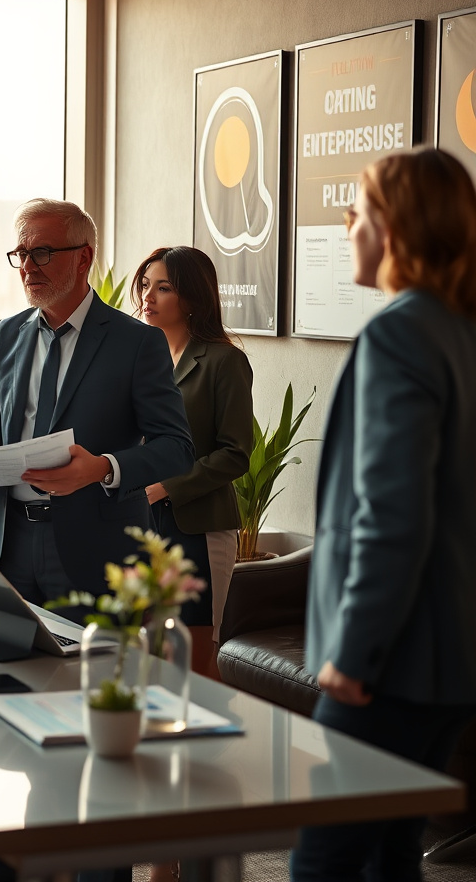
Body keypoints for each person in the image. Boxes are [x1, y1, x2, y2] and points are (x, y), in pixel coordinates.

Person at [0, 198, 193, 882]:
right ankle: (11, 859)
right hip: (12, 547)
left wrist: (103, 469)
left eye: (42, 252)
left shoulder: (134, 342)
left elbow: (175, 448)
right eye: (20, 253)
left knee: (91, 727)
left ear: (84, 256)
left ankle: (97, 873)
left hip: (97, 553)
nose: (28, 266)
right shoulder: (5, 334)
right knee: (15, 717)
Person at [290, 148, 476, 881]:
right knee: (391, 851)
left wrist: (355, 652)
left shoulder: (401, 330)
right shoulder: (459, 328)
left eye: (358, 213)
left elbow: (393, 516)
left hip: (393, 660)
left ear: (392, 227)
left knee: (323, 860)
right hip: (452, 657)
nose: (348, 228)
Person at [133, 246, 253, 678]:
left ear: (192, 297)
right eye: (146, 285)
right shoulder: (139, 360)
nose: (149, 296)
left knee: (194, 659)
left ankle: (210, 743)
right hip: (139, 521)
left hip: (197, 526)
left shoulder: (224, 361)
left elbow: (236, 451)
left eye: (163, 287)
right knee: (143, 654)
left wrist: (167, 486)